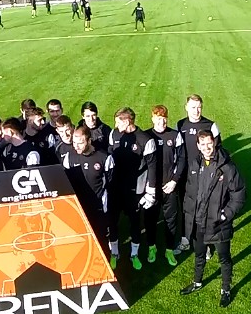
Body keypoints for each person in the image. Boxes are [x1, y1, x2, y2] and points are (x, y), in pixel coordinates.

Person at [180, 132, 246, 307]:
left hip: (218, 224)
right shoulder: (195, 164)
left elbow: (239, 195)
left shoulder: (227, 168)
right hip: (198, 222)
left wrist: (225, 215)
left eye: (209, 144)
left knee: (224, 258)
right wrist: (188, 216)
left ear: (214, 143)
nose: (207, 148)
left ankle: (225, 289)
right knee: (199, 254)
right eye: (203, 145)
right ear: (198, 146)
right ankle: (197, 282)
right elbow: (189, 193)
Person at [108, 108, 159, 270]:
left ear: (127, 121)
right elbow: (110, 159)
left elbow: (152, 168)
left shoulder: (145, 140)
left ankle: (134, 254)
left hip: (136, 191)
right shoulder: (114, 134)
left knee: (135, 224)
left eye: (118, 121)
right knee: (113, 222)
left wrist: (151, 191)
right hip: (116, 189)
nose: (115, 125)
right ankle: (115, 253)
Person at [62, 125, 114, 254]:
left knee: (101, 236)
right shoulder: (69, 158)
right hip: (79, 206)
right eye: (74, 143)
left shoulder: (104, 158)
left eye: (81, 143)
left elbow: (110, 183)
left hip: (98, 205)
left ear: (89, 140)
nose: (77, 146)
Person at [146, 105, 183, 266]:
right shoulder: (146, 136)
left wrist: (174, 181)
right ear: (152, 119)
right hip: (152, 188)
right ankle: (151, 247)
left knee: (171, 220)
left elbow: (182, 160)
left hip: (170, 187)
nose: (162, 121)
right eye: (158, 118)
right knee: (150, 219)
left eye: (164, 118)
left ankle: (169, 250)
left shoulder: (175, 135)